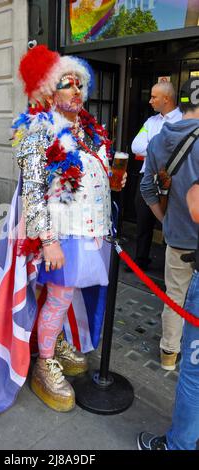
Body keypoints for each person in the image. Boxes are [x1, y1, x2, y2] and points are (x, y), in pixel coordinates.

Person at [0, 45, 126, 416]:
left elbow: (91, 180)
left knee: (66, 296)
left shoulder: (89, 133)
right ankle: (44, 361)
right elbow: (32, 194)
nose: (77, 91)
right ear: (49, 92)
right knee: (60, 296)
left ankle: (55, 342)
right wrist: (47, 241)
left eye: (80, 84)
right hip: (60, 235)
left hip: (89, 233)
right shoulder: (37, 133)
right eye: (67, 84)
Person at [141, 78, 199, 372]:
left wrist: (164, 220)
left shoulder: (158, 140)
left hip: (177, 237)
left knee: (174, 296)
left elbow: (146, 188)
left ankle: (168, 355)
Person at [138, 175, 199, 451]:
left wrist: (166, 221)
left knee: (195, 374)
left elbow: (195, 203)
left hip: (180, 238)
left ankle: (179, 445)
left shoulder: (164, 135)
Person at [129, 82, 182, 271]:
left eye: (154, 97)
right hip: (147, 178)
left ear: (166, 98)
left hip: (172, 180)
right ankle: (140, 261)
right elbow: (135, 146)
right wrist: (162, 147)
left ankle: (170, 267)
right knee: (143, 222)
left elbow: (178, 151)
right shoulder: (150, 122)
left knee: (171, 223)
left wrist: (151, 145)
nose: (150, 100)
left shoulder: (182, 121)